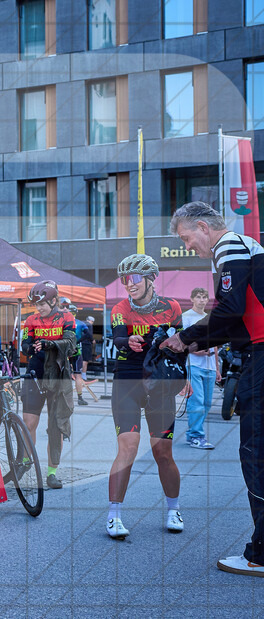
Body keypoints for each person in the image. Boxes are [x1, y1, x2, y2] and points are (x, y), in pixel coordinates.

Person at [160, 202, 264, 576]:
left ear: (203, 227)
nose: (188, 246)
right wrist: (191, 342)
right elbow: (233, 315)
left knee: (256, 454)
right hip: (255, 352)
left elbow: (229, 308)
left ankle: (261, 555)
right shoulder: (247, 245)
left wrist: (186, 337)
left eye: (186, 238)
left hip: (261, 357)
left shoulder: (230, 246)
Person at [105, 254, 184, 540]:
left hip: (159, 382)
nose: (129, 284)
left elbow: (181, 344)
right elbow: (116, 338)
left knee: (163, 452)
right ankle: (114, 515)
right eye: (125, 279)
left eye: (134, 278)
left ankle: (173, 509)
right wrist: (128, 340)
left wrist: (182, 376)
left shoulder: (171, 307)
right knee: (128, 446)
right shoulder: (121, 308)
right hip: (127, 379)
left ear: (151, 278)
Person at [20, 280, 76, 491]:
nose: (40, 308)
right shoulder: (31, 320)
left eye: (43, 303)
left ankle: (52, 473)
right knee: (28, 422)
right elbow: (25, 344)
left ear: (54, 301)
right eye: (37, 304)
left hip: (57, 376)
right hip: (35, 373)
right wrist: (29, 347)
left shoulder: (66, 317)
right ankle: (26, 461)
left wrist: (49, 344)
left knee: (56, 427)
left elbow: (71, 345)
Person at [181, 287, 220, 449]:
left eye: (204, 297)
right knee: (197, 401)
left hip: (210, 367)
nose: (202, 300)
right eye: (198, 297)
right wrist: (197, 351)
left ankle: (194, 433)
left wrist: (217, 368)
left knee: (206, 403)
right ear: (192, 299)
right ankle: (196, 435)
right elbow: (182, 341)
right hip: (194, 365)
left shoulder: (210, 318)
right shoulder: (187, 317)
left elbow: (216, 344)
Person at [61, 299, 92, 406]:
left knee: (63, 374)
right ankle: (80, 398)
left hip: (63, 350)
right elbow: (89, 336)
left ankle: (63, 397)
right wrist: (78, 341)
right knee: (78, 375)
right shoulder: (81, 323)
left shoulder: (62, 322)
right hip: (76, 350)